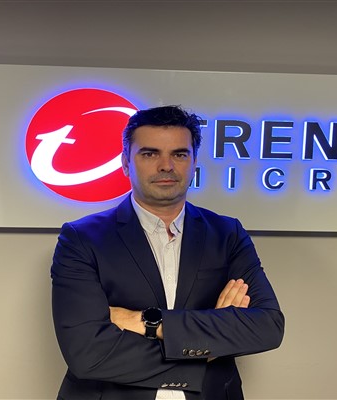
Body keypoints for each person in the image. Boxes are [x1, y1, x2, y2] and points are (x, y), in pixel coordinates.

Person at [51, 105, 285, 400]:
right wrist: (207, 346)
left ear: (194, 162)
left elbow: (266, 326)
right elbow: (86, 353)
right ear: (126, 163)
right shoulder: (81, 238)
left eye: (179, 154)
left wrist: (148, 322)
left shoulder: (227, 234)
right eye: (150, 154)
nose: (166, 166)